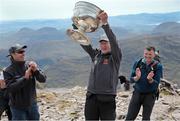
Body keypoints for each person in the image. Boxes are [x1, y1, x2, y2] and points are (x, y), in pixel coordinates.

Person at [80, 11, 122, 120]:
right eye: (101, 43)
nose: (103, 45)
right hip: (91, 97)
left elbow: (114, 41)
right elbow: (85, 44)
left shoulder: (115, 57)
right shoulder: (96, 55)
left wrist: (105, 25)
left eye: (106, 43)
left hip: (107, 99)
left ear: (110, 45)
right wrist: (79, 30)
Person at [3, 44, 46, 120]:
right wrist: (25, 78)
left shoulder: (30, 65)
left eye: (23, 51)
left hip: (32, 104)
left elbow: (43, 79)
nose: (23, 53)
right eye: (20, 52)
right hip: (17, 108)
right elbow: (10, 88)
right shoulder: (8, 71)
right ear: (12, 54)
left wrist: (36, 71)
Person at [125, 46, 163, 121]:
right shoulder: (138, 63)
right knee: (129, 117)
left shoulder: (158, 66)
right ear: (143, 53)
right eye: (146, 54)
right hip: (137, 93)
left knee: (146, 118)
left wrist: (150, 80)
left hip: (150, 95)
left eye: (150, 54)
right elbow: (131, 80)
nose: (148, 56)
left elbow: (156, 84)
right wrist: (137, 78)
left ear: (154, 55)